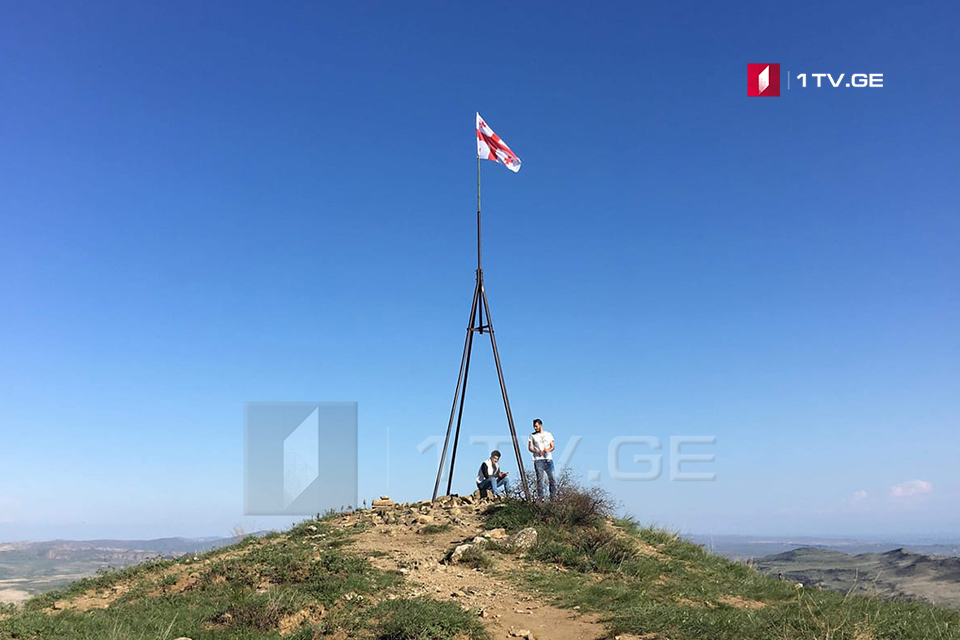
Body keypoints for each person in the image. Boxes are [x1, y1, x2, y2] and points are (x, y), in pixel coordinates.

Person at [528, 418, 555, 500]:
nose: (535, 428)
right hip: (538, 460)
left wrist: (548, 450)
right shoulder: (532, 436)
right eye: (534, 427)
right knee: (540, 479)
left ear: (540, 425)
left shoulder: (548, 434)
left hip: (548, 459)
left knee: (552, 478)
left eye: (536, 426)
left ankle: (553, 497)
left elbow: (553, 446)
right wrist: (536, 451)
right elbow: (530, 447)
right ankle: (541, 498)